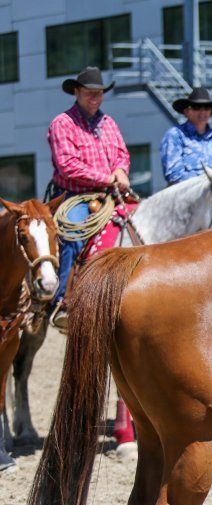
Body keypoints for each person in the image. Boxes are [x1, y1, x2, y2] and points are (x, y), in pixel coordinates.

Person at [46, 66, 130, 327]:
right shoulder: (62, 123)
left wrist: (120, 170)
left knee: (141, 224)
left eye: (99, 93)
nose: (94, 98)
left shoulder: (108, 123)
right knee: (71, 234)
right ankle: (62, 300)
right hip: (76, 195)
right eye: (89, 94)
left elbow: (122, 154)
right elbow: (67, 165)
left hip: (110, 193)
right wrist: (107, 178)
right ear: (77, 92)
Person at [159, 87, 212, 185]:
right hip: (187, 197)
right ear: (186, 111)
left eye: (207, 108)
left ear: (211, 112)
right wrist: (207, 185)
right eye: (196, 107)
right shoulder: (175, 136)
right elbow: (173, 175)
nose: (202, 112)